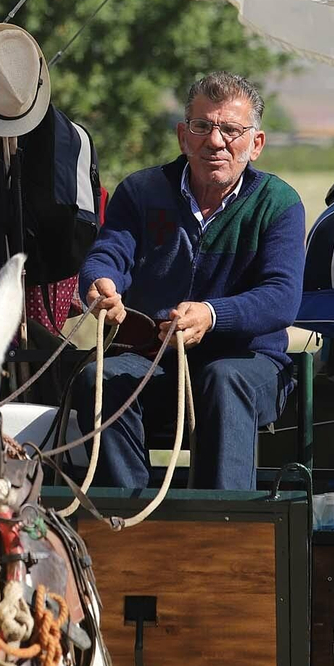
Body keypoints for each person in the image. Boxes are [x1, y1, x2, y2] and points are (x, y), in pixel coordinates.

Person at [72, 72, 305, 491]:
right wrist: (100, 282)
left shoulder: (278, 204)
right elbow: (109, 254)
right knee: (98, 380)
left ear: (256, 144)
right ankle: (129, 517)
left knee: (222, 379)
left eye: (231, 130)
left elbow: (281, 298)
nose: (215, 141)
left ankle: (220, 525)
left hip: (249, 364)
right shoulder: (141, 192)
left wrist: (213, 315)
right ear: (183, 136)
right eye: (202, 126)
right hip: (155, 361)